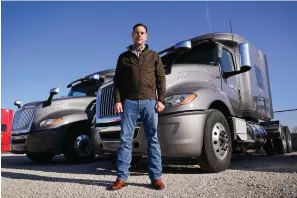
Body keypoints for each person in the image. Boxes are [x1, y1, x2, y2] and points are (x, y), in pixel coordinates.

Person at [108, 23, 166, 191]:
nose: (139, 35)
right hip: (130, 102)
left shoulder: (154, 56)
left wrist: (160, 99)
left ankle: (156, 177)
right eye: (136, 33)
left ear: (146, 36)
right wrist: (118, 100)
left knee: (152, 139)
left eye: (142, 33)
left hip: (149, 101)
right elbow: (117, 81)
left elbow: (161, 79)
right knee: (125, 139)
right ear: (132, 36)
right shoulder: (124, 57)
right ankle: (122, 177)